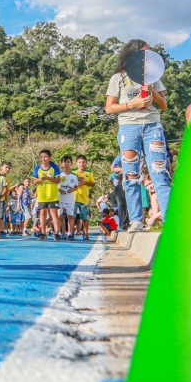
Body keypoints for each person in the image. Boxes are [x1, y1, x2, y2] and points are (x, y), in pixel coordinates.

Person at [104, 39, 171, 233]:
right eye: (143, 53)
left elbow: (164, 105)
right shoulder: (118, 77)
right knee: (131, 175)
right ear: (132, 55)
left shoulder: (153, 76)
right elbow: (109, 107)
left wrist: (152, 91)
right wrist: (132, 105)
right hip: (129, 127)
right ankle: (136, 221)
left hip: (153, 126)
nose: (147, 56)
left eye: (148, 53)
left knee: (160, 172)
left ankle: (168, 221)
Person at [32, 149, 61, 240]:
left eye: (45, 156)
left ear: (49, 158)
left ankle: (57, 233)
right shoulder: (37, 168)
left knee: (54, 214)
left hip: (52, 195)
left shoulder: (54, 167)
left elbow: (58, 180)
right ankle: (43, 233)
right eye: (41, 157)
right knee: (42, 213)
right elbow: (34, 181)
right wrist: (41, 179)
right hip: (42, 195)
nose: (43, 158)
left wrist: (48, 178)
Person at [57, 155, 79, 242]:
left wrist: (72, 189)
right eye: (64, 162)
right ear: (62, 164)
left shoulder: (74, 176)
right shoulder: (59, 175)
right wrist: (60, 190)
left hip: (70, 199)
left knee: (70, 217)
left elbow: (76, 186)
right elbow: (55, 186)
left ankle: (70, 233)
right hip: (60, 199)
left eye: (68, 162)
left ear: (71, 164)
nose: (66, 164)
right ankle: (58, 233)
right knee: (59, 216)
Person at [73, 154, 95, 241]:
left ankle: (86, 234)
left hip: (84, 199)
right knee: (72, 217)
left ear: (86, 163)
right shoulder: (73, 173)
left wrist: (85, 182)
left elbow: (93, 183)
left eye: (83, 162)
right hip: (74, 198)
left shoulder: (89, 173)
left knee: (85, 218)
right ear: (76, 163)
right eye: (79, 162)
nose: (81, 163)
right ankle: (71, 234)